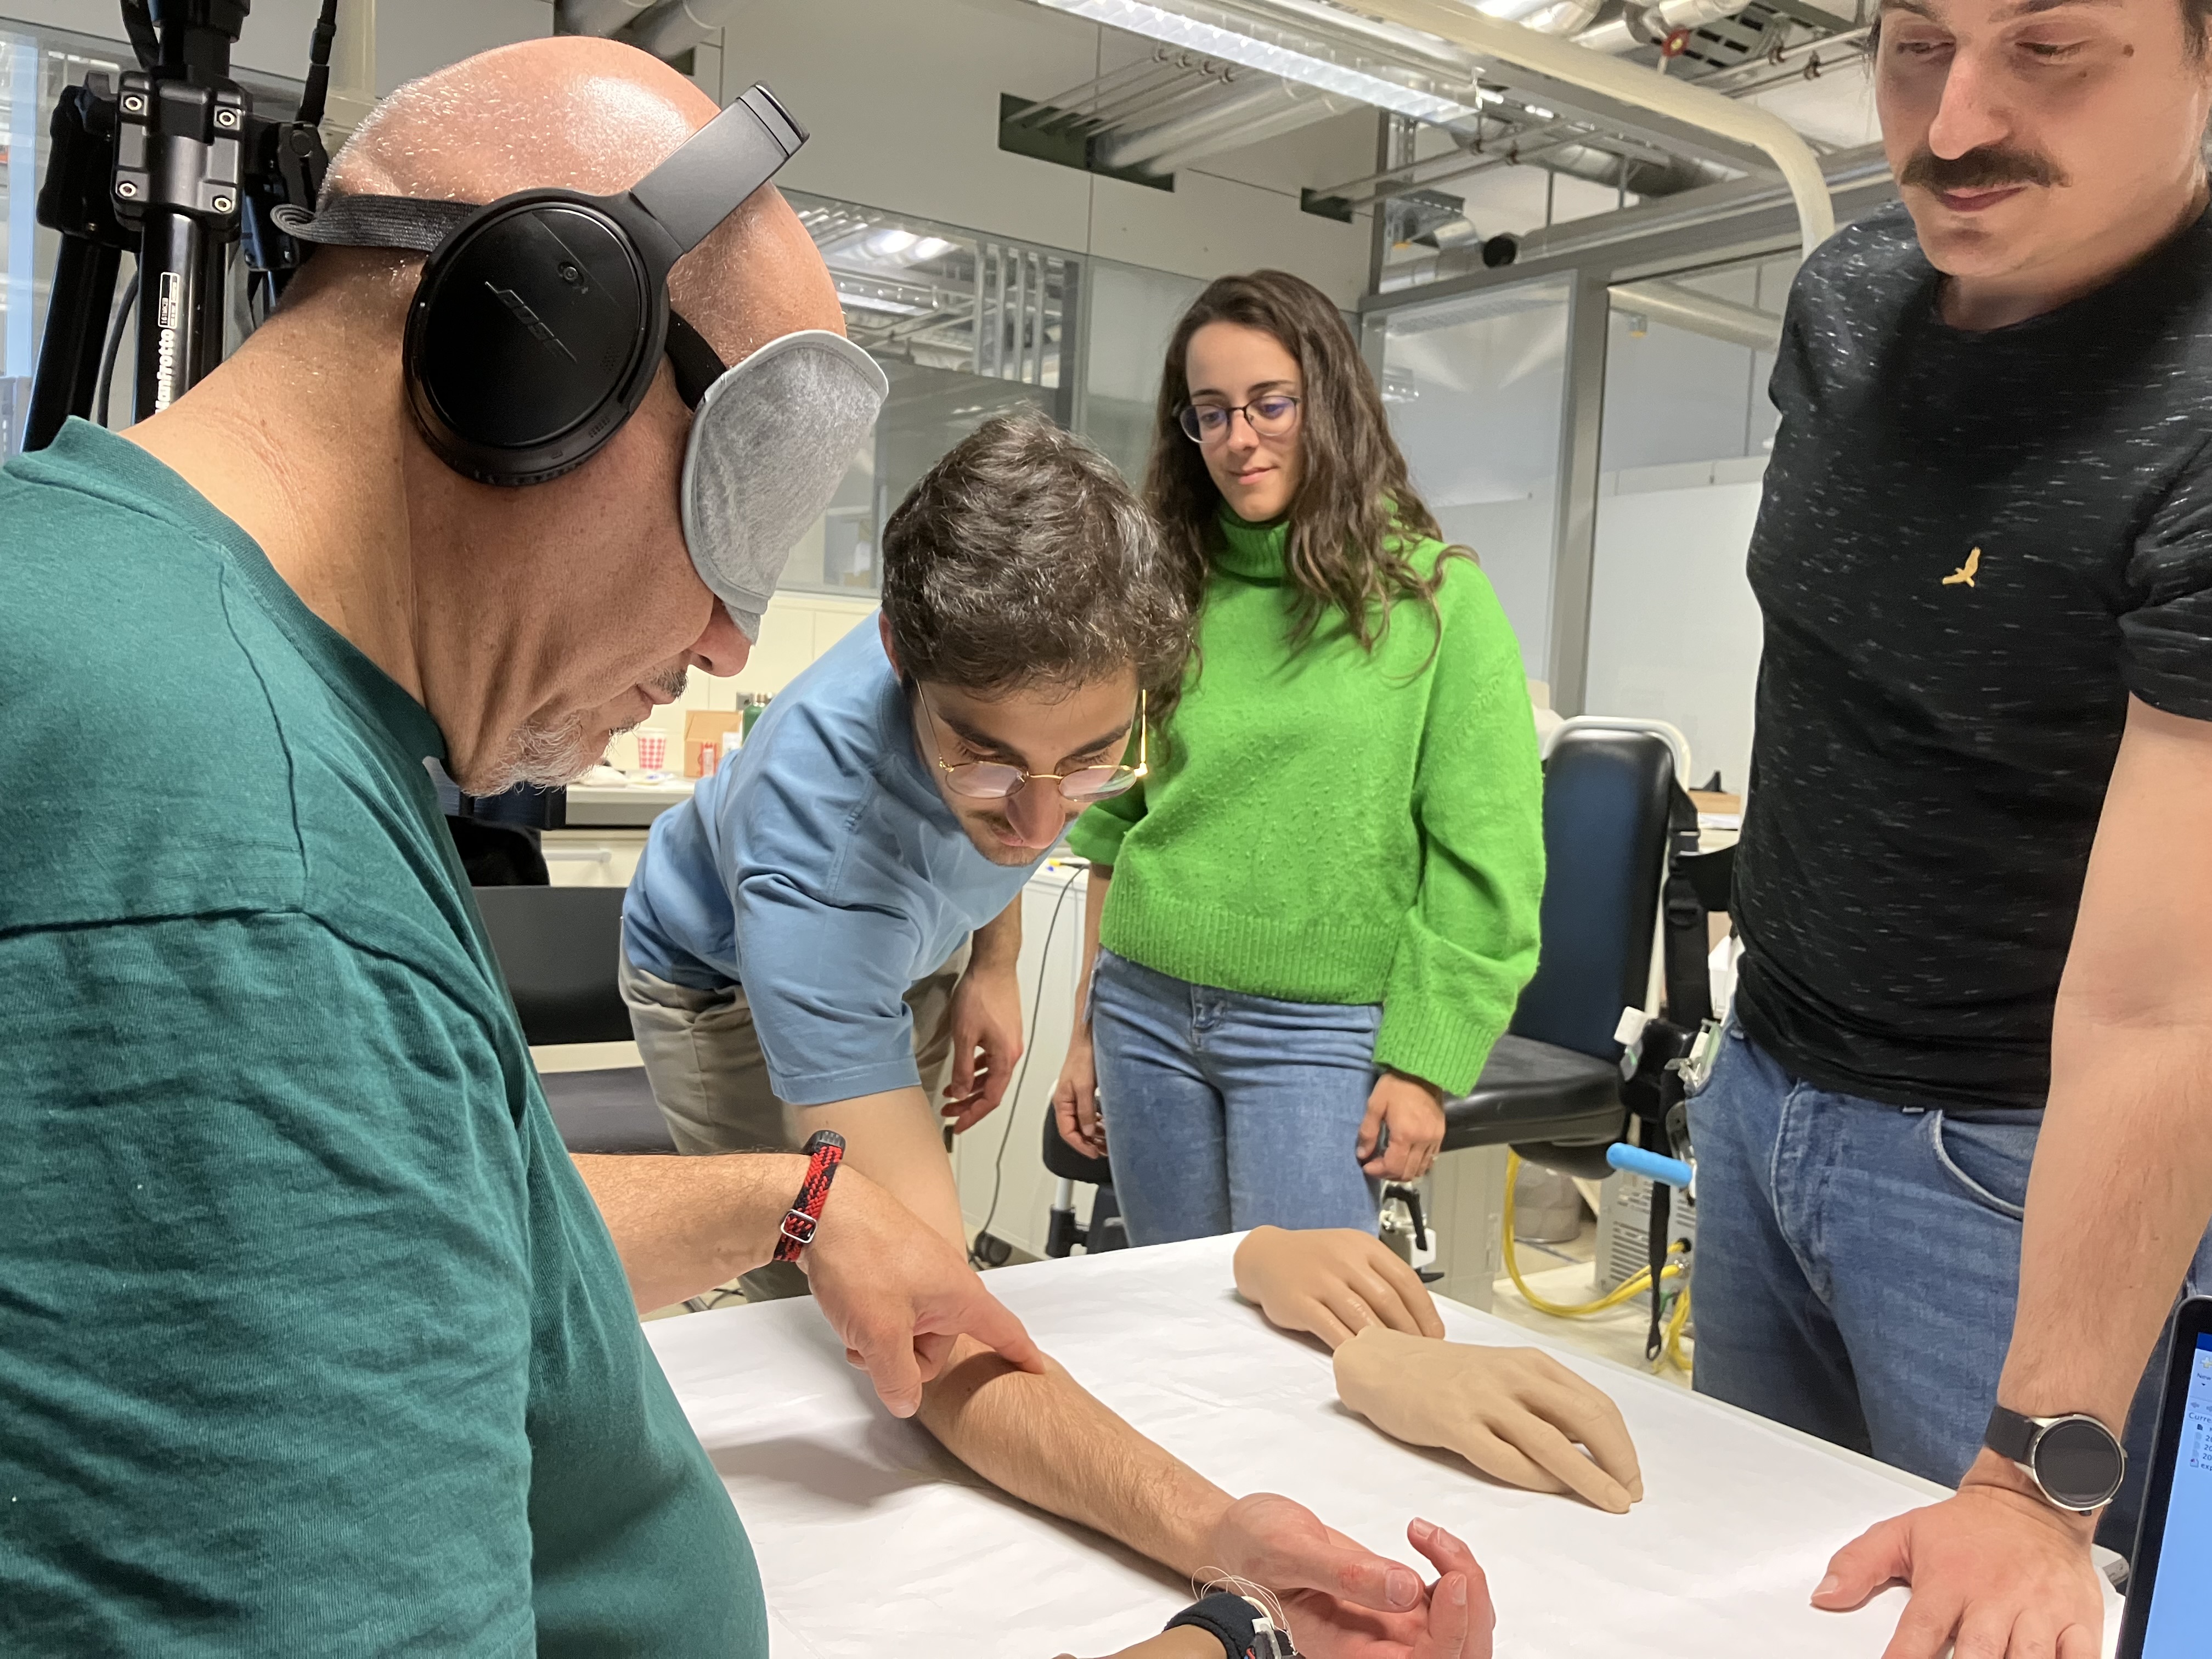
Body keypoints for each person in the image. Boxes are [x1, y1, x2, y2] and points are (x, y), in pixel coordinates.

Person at [0, 41, 1474, 1655]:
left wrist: (793, 1200)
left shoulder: (135, 634)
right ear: (533, 353)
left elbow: (434, 1217)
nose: (722, 640)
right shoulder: (251, 884)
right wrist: (1228, 1642)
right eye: (733, 503)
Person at [1689, 0, 2212, 1651]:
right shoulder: (1846, 298)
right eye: (1918, 42)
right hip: (1760, 1075)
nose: (1955, 121)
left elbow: (2171, 1000)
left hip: (2000, 1175)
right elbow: (1845, 666)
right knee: (1749, 1607)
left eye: (2047, 47)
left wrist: (2036, 1475)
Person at [1051, 269, 1544, 1244]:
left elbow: (1488, 857)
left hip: (1319, 1032)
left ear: (1330, 404)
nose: (1241, 438)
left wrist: (1424, 1066)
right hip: (1144, 1006)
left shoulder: (1437, 602)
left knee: (1310, 1350)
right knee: (1173, 1327)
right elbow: (1117, 822)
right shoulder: (1169, 589)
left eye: (1270, 403)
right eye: (1211, 413)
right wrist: (1084, 1026)